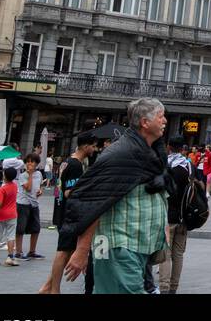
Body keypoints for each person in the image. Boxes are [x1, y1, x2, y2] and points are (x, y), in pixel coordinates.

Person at [62, 99, 170, 294]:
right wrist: (82, 250)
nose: (165, 121)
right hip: (118, 244)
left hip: (133, 245)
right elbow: (94, 202)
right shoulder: (121, 154)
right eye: (161, 117)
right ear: (145, 123)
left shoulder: (146, 152)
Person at [37, 133, 97, 294]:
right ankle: (54, 290)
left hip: (60, 208)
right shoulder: (76, 165)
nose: (94, 149)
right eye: (93, 146)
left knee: (68, 251)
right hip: (68, 213)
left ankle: (48, 287)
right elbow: (70, 192)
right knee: (63, 252)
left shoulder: (66, 161)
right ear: (85, 146)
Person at [158, 138, 196, 294]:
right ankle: (174, 287)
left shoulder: (163, 165)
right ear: (183, 149)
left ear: (168, 147)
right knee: (178, 254)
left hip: (166, 216)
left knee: (165, 255)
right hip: (183, 216)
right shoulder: (188, 166)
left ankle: (164, 287)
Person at [13, 153, 44, 260]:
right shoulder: (22, 176)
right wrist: (30, 174)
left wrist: (40, 191)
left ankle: (32, 251)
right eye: (28, 161)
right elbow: (28, 188)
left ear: (36, 163)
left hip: (34, 204)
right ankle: (18, 252)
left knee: (36, 228)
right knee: (20, 228)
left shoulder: (39, 174)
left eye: (32, 161)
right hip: (23, 204)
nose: (29, 164)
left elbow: (37, 187)